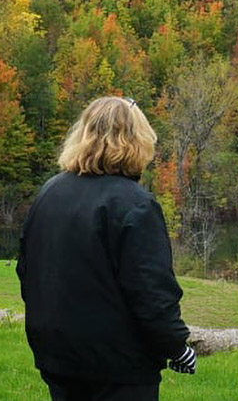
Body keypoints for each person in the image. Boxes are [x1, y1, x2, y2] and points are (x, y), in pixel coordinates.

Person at [18, 98, 197, 401]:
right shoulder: (135, 205)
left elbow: (28, 270)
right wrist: (177, 346)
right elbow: (151, 292)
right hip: (118, 365)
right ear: (138, 140)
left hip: (58, 354)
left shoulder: (50, 192)